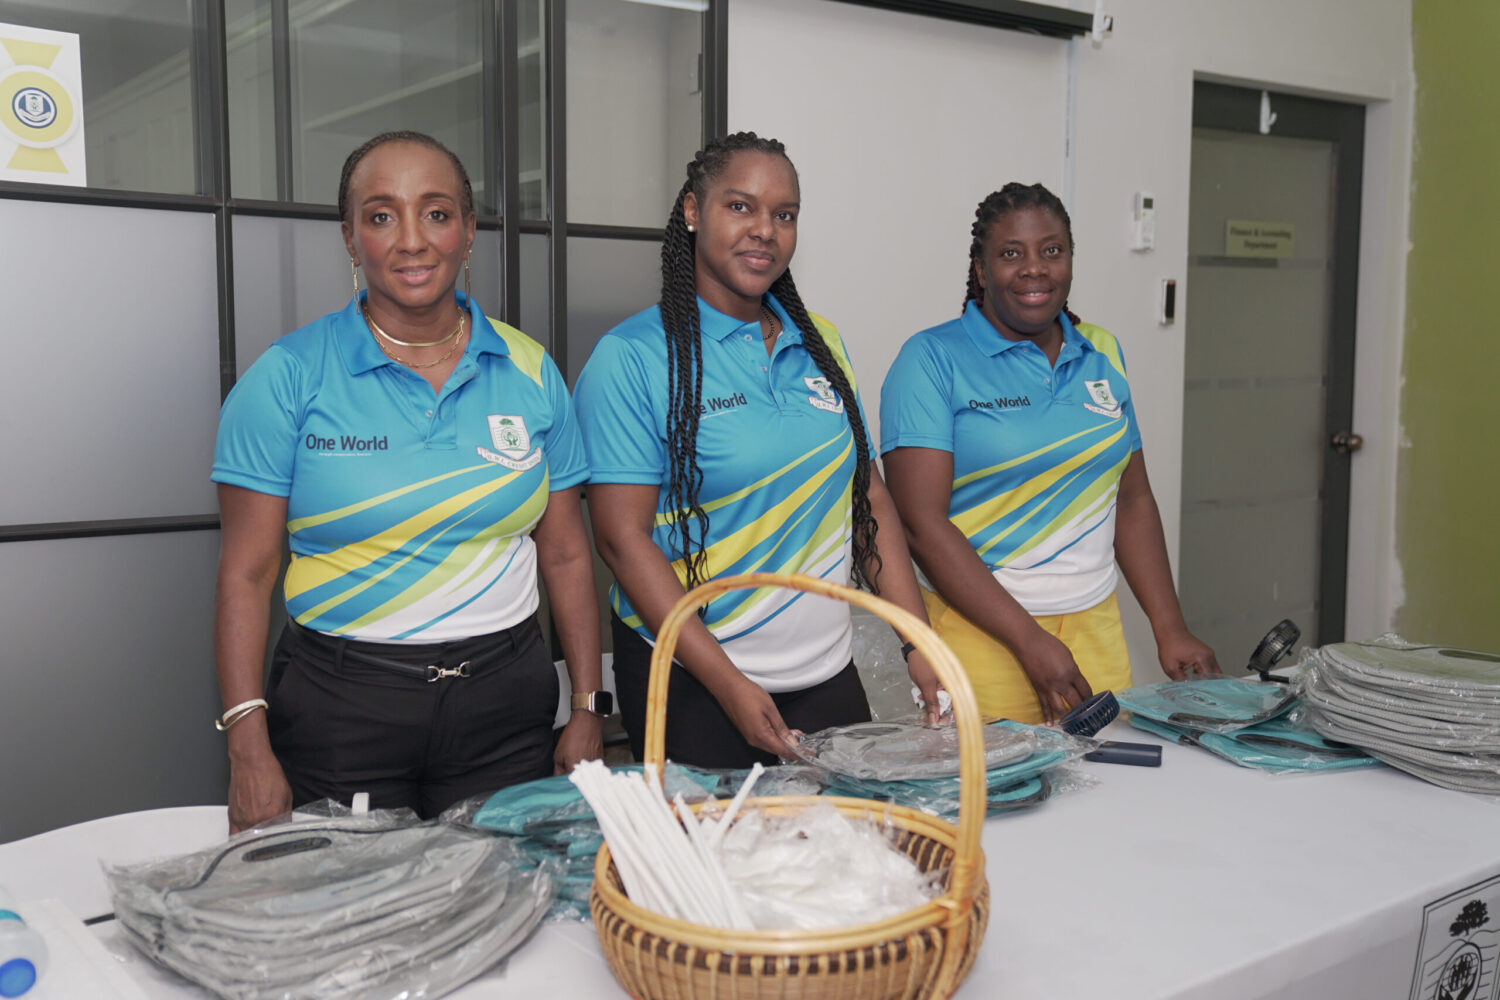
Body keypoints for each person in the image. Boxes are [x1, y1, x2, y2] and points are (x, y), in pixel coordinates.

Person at [211, 131, 605, 833]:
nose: (413, 240)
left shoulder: (531, 369)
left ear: (468, 231)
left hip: (505, 706)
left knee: (500, 890)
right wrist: (247, 744)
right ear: (350, 237)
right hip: (341, 710)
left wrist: (585, 704)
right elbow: (246, 573)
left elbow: (568, 554)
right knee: (352, 898)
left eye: (437, 213)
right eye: (382, 216)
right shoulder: (288, 376)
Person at [572, 132, 942, 769]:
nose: (764, 230)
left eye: (784, 214)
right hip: (693, 679)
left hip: (825, 673)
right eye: (740, 206)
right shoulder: (632, 357)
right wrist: (729, 686)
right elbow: (621, 540)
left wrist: (917, 640)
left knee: (843, 832)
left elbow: (868, 497)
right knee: (718, 838)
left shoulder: (821, 341)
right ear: (694, 211)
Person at [880, 182, 1218, 725]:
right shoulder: (931, 359)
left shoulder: (1101, 351)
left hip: (1096, 632)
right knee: (999, 782)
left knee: (1108, 776)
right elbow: (919, 524)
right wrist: (1029, 640)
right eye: (1011, 253)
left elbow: (1131, 499)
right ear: (981, 269)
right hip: (981, 638)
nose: (1035, 268)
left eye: (1052, 250)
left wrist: (1169, 627)